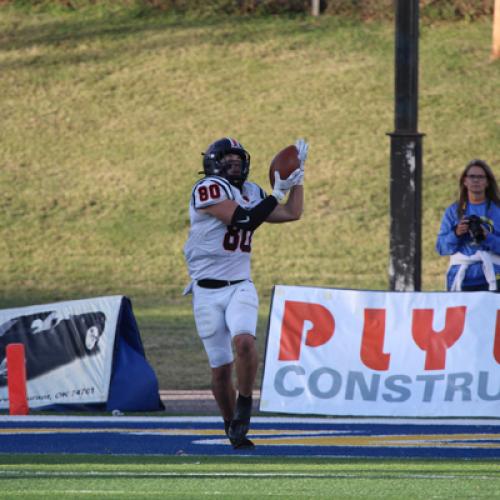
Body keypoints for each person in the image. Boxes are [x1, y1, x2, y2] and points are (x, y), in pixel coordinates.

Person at [183, 137, 308, 449]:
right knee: (220, 370)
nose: (234, 165)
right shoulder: (208, 188)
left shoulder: (251, 191)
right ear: (213, 162)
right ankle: (231, 427)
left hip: (239, 284)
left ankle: (245, 401)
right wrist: (277, 192)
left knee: (244, 341)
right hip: (206, 291)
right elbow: (245, 219)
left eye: (238, 160)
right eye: (228, 160)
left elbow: (292, 213)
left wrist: (298, 180)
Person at [436, 159, 500, 291]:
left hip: (494, 274)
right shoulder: (454, 211)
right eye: (471, 176)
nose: (476, 180)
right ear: (465, 181)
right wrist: (456, 233)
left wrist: (487, 237)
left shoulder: (497, 210)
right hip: (461, 277)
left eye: (480, 177)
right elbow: (441, 248)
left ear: (487, 182)